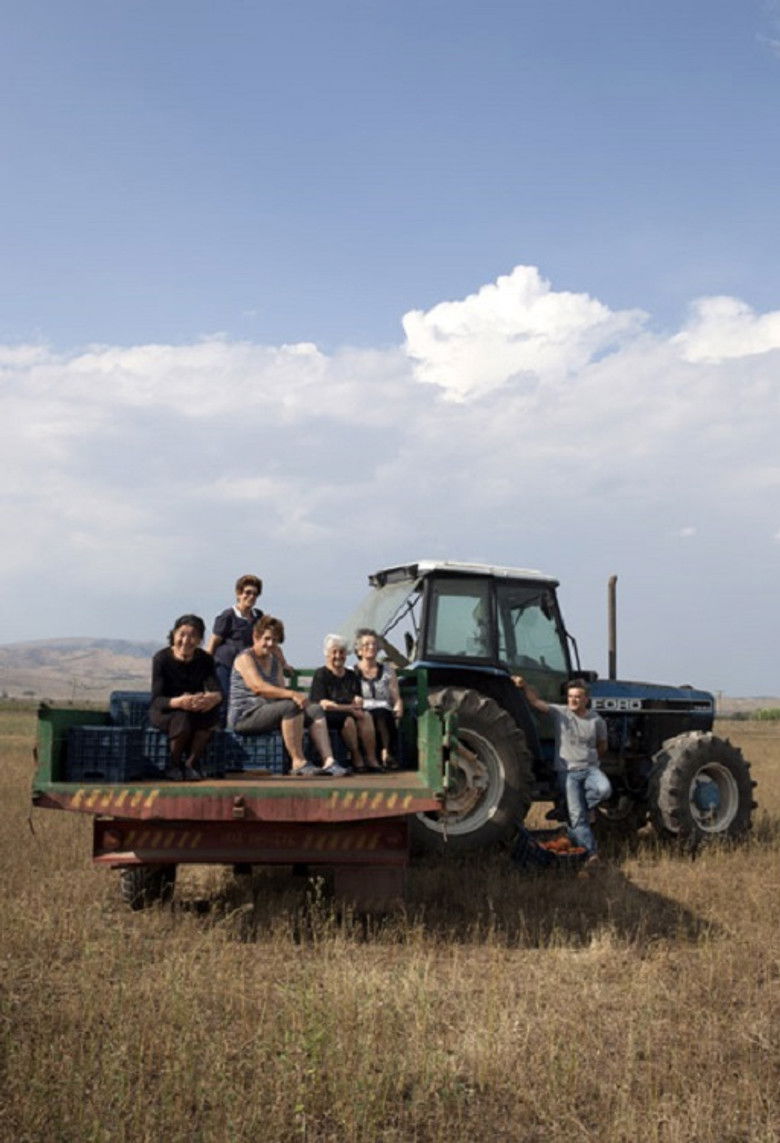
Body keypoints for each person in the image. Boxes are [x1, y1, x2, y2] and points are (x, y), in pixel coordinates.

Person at [228, 616, 345, 777]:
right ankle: (298, 762)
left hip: (268, 711)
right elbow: (258, 687)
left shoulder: (274, 662)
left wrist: (301, 702)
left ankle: (329, 761)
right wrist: (293, 695)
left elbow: (279, 690)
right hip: (245, 715)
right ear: (256, 637)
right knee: (290, 707)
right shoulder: (245, 658)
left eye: (274, 640)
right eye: (266, 639)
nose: (270, 644)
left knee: (315, 710)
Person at [513, 675, 610, 864]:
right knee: (579, 817)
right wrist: (524, 685)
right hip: (569, 772)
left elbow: (603, 746)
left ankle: (573, 810)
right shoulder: (561, 713)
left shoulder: (596, 720)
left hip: (590, 769)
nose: (573, 700)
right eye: (570, 696)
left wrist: (589, 759)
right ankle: (591, 854)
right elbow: (535, 702)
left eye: (577, 697)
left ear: (586, 700)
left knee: (604, 790)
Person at [150, 614, 223, 781]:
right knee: (182, 718)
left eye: (192, 636)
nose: (186, 640)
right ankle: (173, 765)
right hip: (167, 709)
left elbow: (216, 690)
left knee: (211, 715)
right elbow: (156, 699)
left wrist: (211, 698)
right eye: (182, 634)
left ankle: (191, 764)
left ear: (199, 640)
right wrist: (179, 702)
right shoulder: (161, 659)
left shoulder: (205, 660)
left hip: (194, 707)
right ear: (174, 635)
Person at [309, 634, 381, 772]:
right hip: (328, 715)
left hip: (349, 711)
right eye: (334, 652)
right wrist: (350, 708)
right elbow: (324, 704)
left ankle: (372, 759)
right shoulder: (321, 674)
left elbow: (357, 698)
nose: (338, 656)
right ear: (327, 654)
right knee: (349, 720)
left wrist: (358, 702)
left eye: (341, 652)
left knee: (366, 716)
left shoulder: (351, 675)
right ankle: (356, 756)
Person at [353, 628, 403, 768]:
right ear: (359, 650)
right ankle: (371, 756)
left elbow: (395, 696)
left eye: (374, 644)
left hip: (384, 708)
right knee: (368, 716)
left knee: (382, 714)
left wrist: (399, 705)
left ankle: (386, 753)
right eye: (367, 644)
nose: (371, 647)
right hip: (362, 709)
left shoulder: (388, 671)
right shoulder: (352, 671)